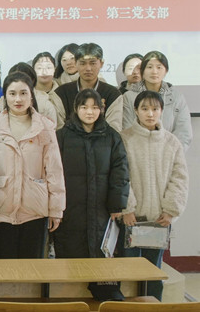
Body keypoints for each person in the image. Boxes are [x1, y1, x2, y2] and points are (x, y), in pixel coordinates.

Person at [0, 72, 65, 259]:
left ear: (31, 95)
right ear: (5, 97)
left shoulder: (45, 128)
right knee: (3, 267)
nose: (18, 99)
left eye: (23, 93)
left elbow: (54, 171)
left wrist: (56, 209)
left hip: (35, 209)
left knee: (32, 268)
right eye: (12, 93)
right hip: (1, 209)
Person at [54, 89, 129, 301]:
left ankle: (105, 294)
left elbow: (120, 173)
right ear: (75, 109)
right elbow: (52, 172)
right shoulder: (61, 136)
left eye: (95, 107)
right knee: (71, 252)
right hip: (70, 208)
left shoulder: (112, 136)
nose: (90, 112)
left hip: (102, 209)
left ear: (101, 110)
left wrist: (116, 205)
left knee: (103, 251)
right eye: (84, 107)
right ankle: (70, 299)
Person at [121, 91, 189, 301]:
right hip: (132, 220)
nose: (150, 114)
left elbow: (180, 179)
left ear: (161, 111)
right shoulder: (125, 139)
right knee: (129, 273)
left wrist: (171, 210)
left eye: (155, 109)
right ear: (136, 111)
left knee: (154, 274)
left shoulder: (172, 142)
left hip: (159, 221)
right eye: (144, 109)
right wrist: (127, 208)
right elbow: (120, 177)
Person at [121, 51, 192, 152]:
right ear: (142, 70)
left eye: (159, 67)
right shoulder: (129, 96)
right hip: (137, 154)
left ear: (166, 71)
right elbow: (127, 129)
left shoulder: (176, 97)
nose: (154, 71)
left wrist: (170, 153)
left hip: (170, 154)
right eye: (149, 67)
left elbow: (184, 132)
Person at [53, 43, 123, 132]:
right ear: (76, 63)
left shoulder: (113, 94)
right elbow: (59, 131)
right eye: (83, 63)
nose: (88, 68)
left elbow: (114, 130)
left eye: (93, 63)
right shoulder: (61, 93)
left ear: (101, 63)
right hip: (69, 140)